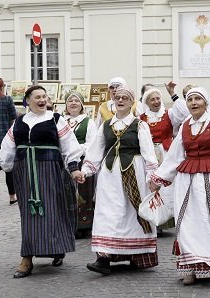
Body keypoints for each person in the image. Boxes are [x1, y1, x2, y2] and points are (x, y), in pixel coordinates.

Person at [150, 87, 210, 285]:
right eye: (190, 99)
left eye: (197, 99)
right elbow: (174, 156)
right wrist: (158, 179)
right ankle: (191, 265)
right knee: (187, 222)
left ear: (206, 102)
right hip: (186, 180)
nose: (193, 103)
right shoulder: (184, 125)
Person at [0, 85, 84, 278]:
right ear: (27, 101)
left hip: (49, 170)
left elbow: (70, 145)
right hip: (24, 172)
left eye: (44, 96)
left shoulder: (56, 119)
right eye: (37, 97)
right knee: (28, 214)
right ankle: (27, 258)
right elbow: (7, 147)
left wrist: (74, 168)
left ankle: (57, 248)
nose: (42, 99)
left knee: (52, 211)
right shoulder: (19, 122)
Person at [81, 86, 159, 275]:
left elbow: (149, 152)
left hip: (135, 174)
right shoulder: (106, 125)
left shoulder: (139, 125)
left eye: (125, 98)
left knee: (133, 213)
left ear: (132, 102)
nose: (121, 100)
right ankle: (104, 258)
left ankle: (136, 256)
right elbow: (95, 150)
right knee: (108, 212)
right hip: (109, 176)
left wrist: (152, 176)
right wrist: (86, 170)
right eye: (118, 97)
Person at [139, 87, 189, 232]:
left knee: (168, 185)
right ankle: (154, 219)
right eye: (152, 99)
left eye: (158, 98)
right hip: (149, 155)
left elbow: (186, 113)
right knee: (150, 184)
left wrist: (173, 94)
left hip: (167, 153)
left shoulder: (169, 113)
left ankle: (170, 218)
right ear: (147, 102)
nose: (156, 102)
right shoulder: (141, 118)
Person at [63, 91, 98, 238]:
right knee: (67, 193)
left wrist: (76, 149)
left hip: (82, 161)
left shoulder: (88, 121)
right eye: (70, 100)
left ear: (82, 105)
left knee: (84, 192)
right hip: (65, 162)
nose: (73, 103)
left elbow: (92, 142)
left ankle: (84, 225)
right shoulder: (62, 121)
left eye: (76, 101)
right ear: (66, 105)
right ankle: (68, 225)